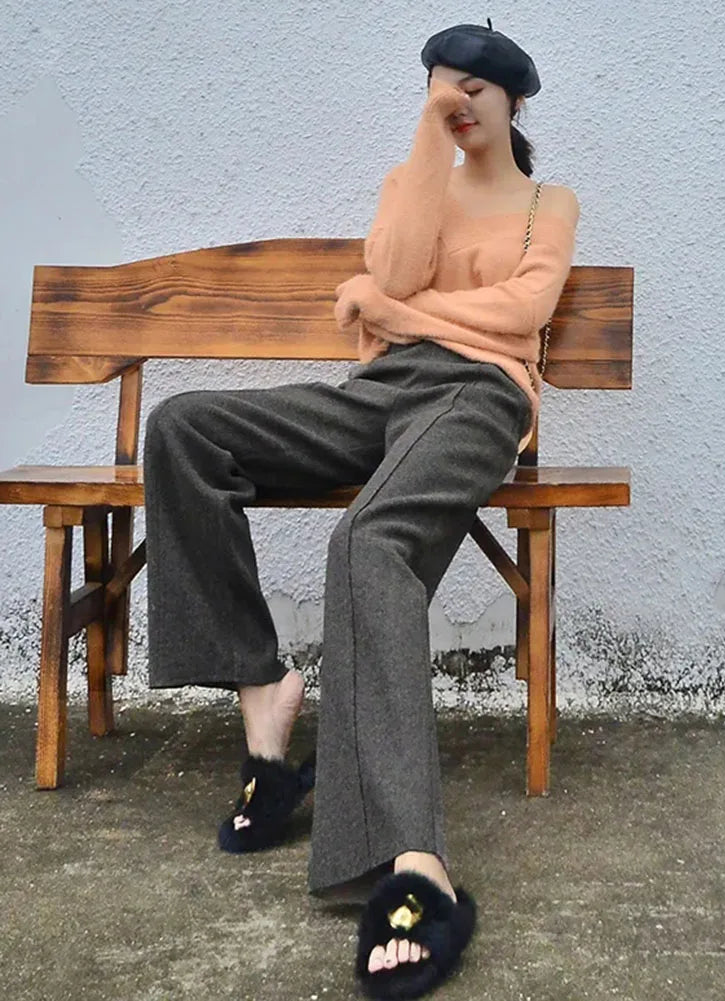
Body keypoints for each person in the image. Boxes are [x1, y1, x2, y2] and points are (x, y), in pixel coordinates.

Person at [143, 19, 579, 1000]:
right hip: (379, 395)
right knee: (182, 429)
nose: (454, 103)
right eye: (437, 89)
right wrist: (428, 150)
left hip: (482, 397)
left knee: (370, 541)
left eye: (471, 89)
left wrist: (397, 315)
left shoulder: (547, 202)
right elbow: (391, 269)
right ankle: (264, 695)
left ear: (513, 100)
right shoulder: (413, 180)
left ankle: (414, 861)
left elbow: (520, 314)